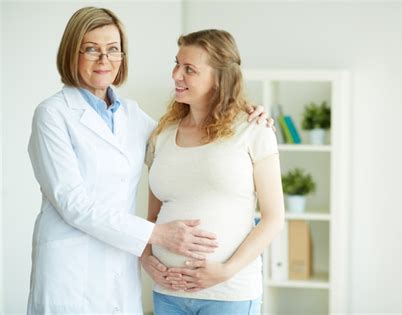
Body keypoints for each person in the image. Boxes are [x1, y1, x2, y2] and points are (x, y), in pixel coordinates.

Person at [27, 7, 272, 314]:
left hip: (121, 271)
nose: (104, 60)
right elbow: (72, 204)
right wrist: (156, 235)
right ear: (71, 53)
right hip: (71, 270)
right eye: (91, 49)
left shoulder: (132, 116)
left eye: (113, 49)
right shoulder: (52, 114)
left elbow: (190, 145)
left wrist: (246, 113)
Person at [141, 29, 285, 315]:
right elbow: (153, 218)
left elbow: (273, 219)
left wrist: (225, 270)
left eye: (189, 69)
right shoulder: (163, 135)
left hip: (229, 294)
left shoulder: (253, 130)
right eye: (177, 64)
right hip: (167, 293)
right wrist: (146, 259)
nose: (176, 75)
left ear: (220, 79)